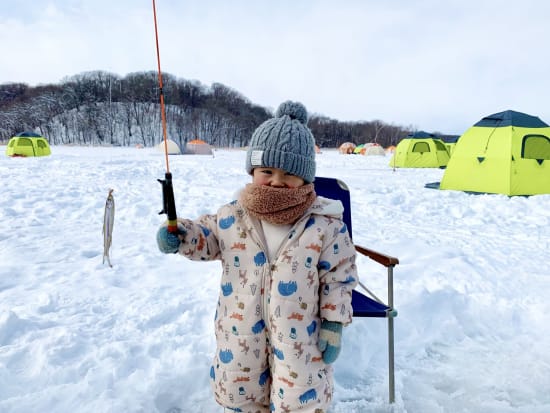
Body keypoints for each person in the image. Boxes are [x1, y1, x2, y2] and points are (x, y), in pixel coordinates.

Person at [157, 101, 358, 413]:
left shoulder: (324, 224)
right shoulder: (233, 216)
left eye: (289, 173)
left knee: (299, 403)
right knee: (243, 397)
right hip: (240, 337)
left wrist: (334, 322)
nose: (277, 180)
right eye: (267, 171)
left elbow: (339, 276)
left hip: (301, 341)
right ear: (253, 171)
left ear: (306, 178)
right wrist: (182, 234)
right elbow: (206, 237)